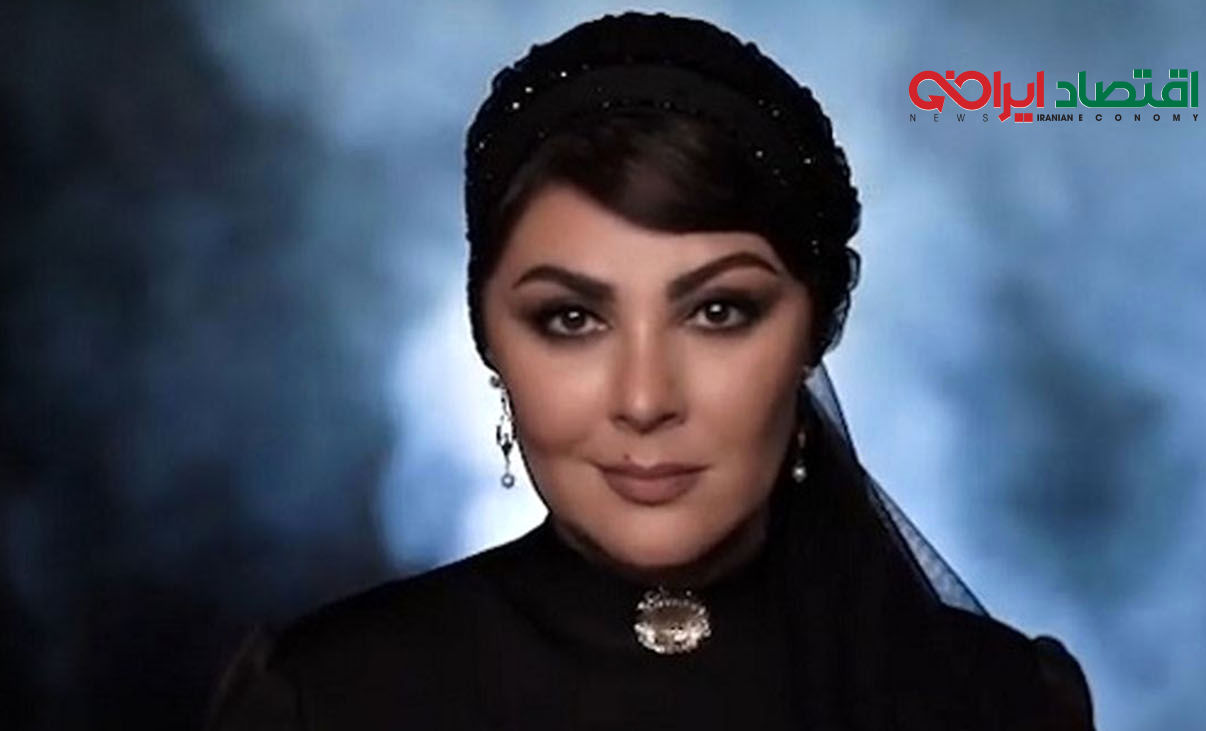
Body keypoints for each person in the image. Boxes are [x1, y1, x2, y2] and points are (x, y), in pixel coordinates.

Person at [205, 11, 1095, 730]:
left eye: (718, 312)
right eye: (572, 318)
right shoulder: (327, 699)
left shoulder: (997, 700)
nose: (644, 398)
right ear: (486, 334)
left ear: (819, 324)